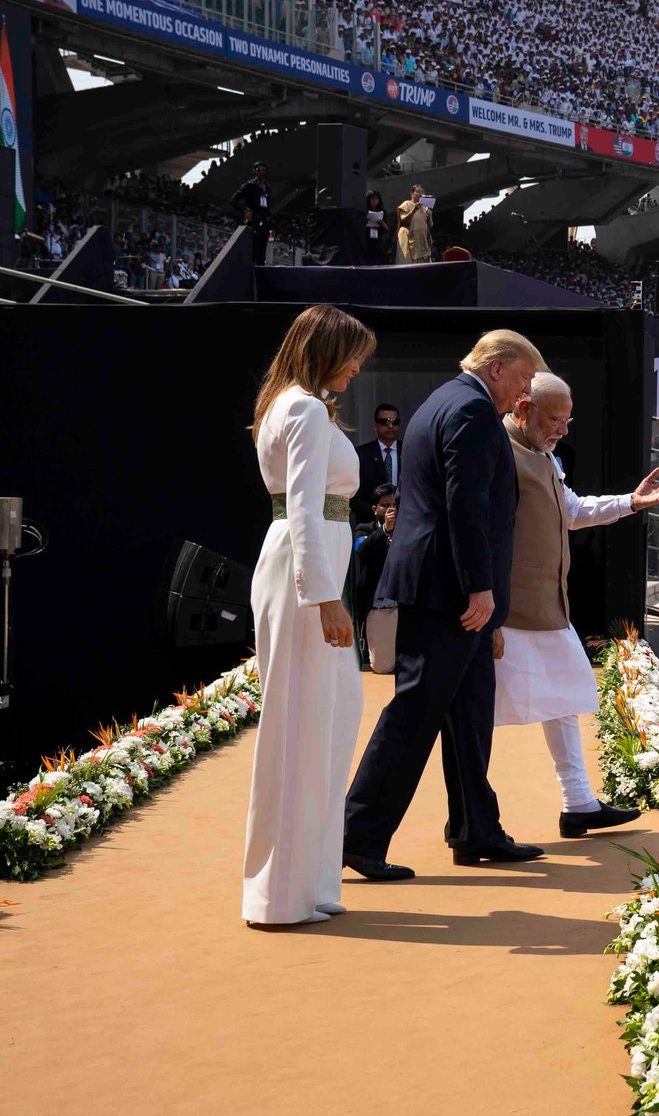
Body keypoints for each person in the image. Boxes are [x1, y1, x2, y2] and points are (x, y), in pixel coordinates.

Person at [342, 329, 545, 881]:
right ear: (498, 367)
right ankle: (356, 835)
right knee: (415, 711)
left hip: (447, 588)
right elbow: (465, 503)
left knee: (470, 713)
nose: (526, 393)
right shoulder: (472, 410)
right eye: (524, 379)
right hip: (449, 592)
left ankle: (476, 828)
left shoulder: (445, 399)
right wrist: (480, 586)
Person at [493, 371, 659, 838]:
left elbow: (571, 511)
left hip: (546, 607)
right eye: (556, 419)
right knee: (476, 712)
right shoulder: (497, 449)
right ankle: (473, 817)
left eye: (568, 419)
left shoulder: (545, 455)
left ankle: (577, 802)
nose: (564, 429)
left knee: (565, 694)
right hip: (501, 609)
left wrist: (631, 503)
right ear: (523, 410)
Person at [242, 304, 376, 926]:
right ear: (324, 351)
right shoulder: (301, 407)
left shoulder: (293, 404)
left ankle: (311, 884)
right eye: (351, 355)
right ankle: (281, 895)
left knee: (327, 720)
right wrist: (324, 598)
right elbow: (301, 508)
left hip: (307, 567)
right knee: (302, 727)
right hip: (305, 573)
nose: (356, 368)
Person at [347, 483, 399, 674]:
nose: (391, 509)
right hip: (380, 609)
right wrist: (385, 530)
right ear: (374, 509)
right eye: (385, 505)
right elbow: (362, 550)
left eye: (394, 504)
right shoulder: (364, 529)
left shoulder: (407, 529)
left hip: (405, 608)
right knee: (382, 668)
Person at [352, 403, 402, 523]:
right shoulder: (361, 454)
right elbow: (353, 494)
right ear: (375, 426)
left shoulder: (410, 451)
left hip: (404, 522)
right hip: (370, 523)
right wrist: (377, 514)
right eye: (384, 421)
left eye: (394, 421)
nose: (390, 425)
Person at [235, 160, 273, 266]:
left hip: (264, 223)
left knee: (262, 254)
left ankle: (260, 277)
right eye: (259, 170)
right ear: (255, 171)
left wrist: (271, 226)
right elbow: (233, 201)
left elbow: (268, 207)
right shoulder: (249, 185)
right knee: (252, 253)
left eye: (263, 171)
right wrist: (245, 211)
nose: (261, 172)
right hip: (253, 222)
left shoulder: (268, 187)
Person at [397, 185, 434, 264]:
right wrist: (414, 210)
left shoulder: (424, 208)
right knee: (408, 261)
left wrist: (430, 215)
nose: (420, 194)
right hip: (408, 235)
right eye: (418, 192)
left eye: (421, 192)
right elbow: (403, 220)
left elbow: (430, 225)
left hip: (422, 238)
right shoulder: (406, 204)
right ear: (412, 193)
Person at [363, 189, 392, 265]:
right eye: (372, 198)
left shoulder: (383, 212)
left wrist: (381, 222)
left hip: (379, 240)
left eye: (376, 199)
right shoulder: (364, 211)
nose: (374, 201)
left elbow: (387, 229)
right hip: (367, 239)